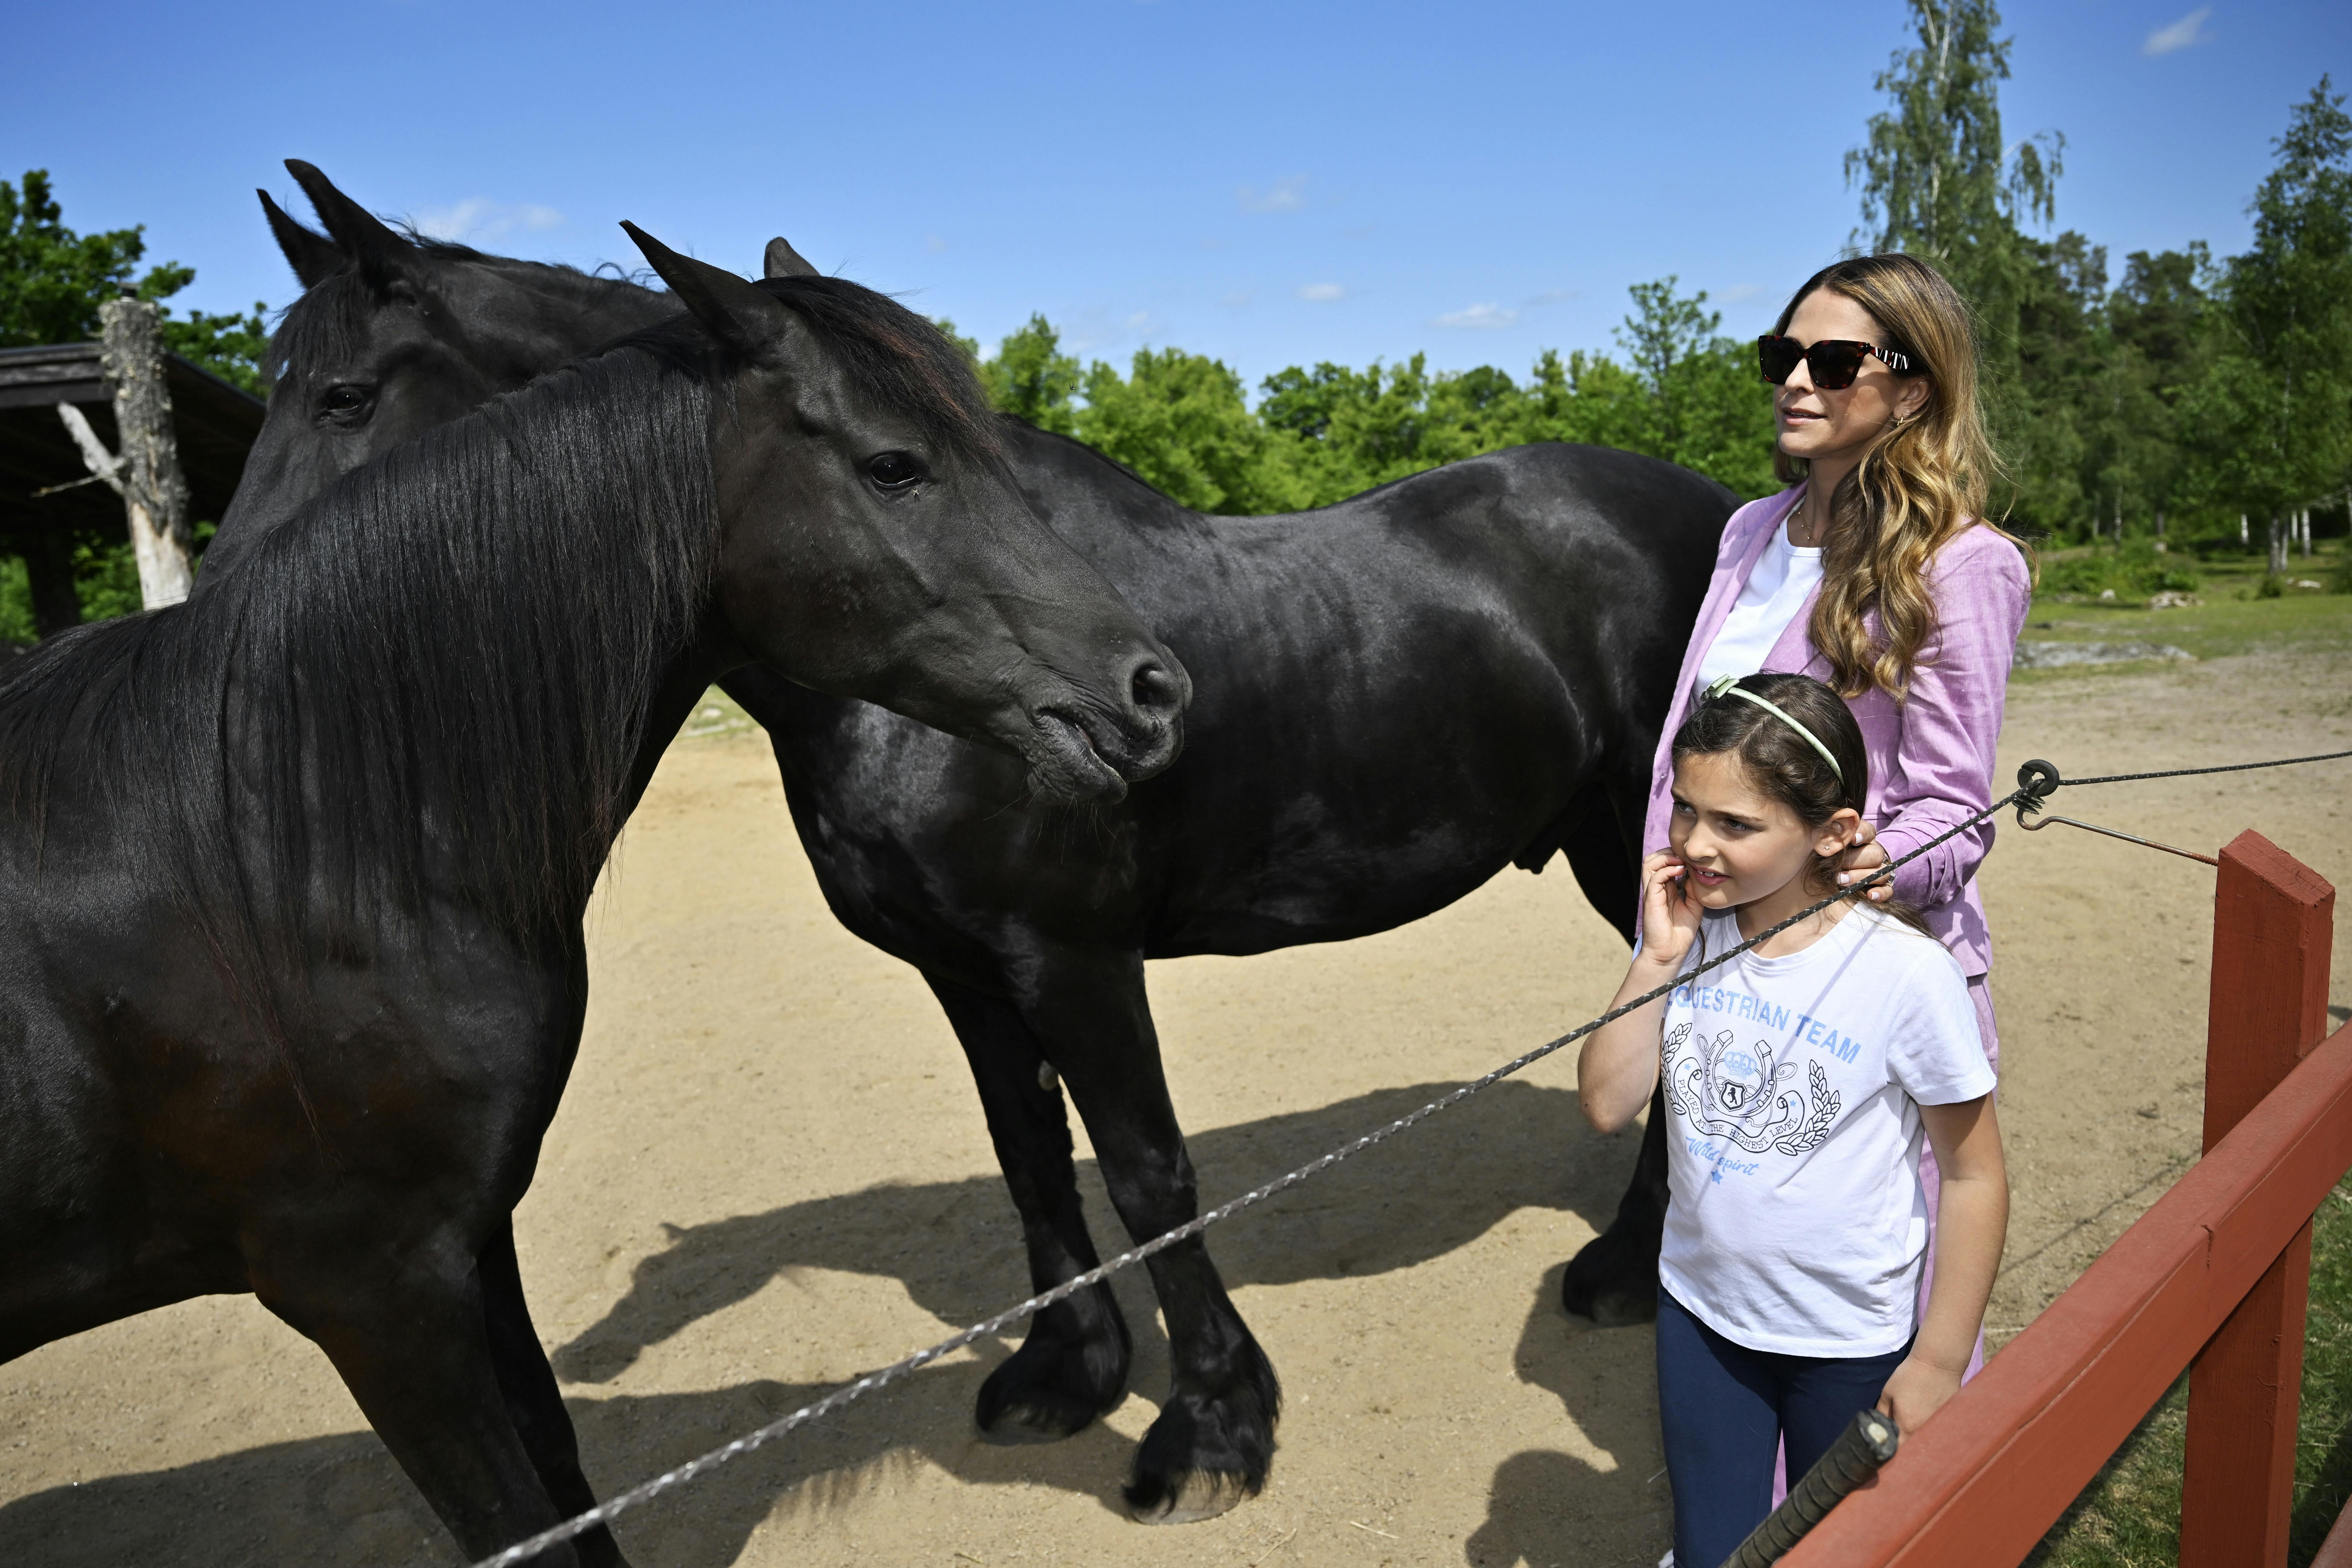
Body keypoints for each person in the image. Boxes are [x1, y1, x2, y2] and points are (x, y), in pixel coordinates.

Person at [1637, 251, 2031, 1362]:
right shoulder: (1747, 531)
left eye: (1834, 360)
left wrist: (1858, 869)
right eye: (1784, 355)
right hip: (1725, 956)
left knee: (1877, 1302)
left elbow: (1956, 808)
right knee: (1739, 1250)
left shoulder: (1963, 563)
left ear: (1911, 388)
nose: (1796, 380)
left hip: (1863, 977)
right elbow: (1692, 742)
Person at [1580, 673, 2008, 1568]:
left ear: (1835, 831)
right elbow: (1608, 1104)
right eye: (1687, 810)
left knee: (1844, 1554)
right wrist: (1655, 960)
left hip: (1848, 1341)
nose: (1697, 844)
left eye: (1736, 824)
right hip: (1702, 1319)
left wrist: (1937, 1361)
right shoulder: (1690, 937)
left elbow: (1974, 1175)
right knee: (1714, 1554)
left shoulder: (1905, 975)